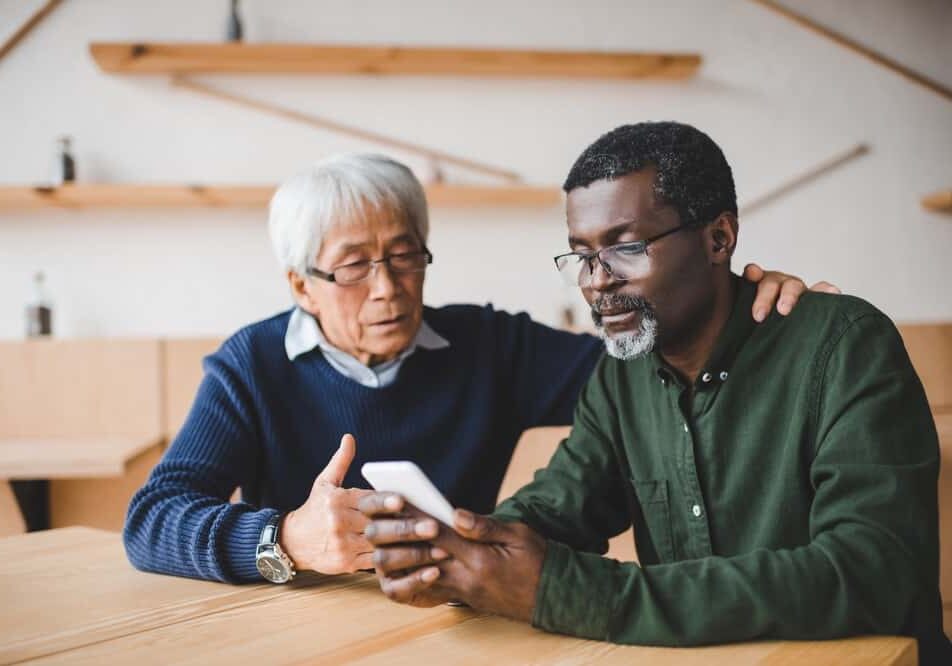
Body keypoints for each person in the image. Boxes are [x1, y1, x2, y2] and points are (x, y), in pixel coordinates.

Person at [359, 123, 952, 664]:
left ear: (719, 238)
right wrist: (458, 550)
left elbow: (872, 574)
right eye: (583, 254)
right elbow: (559, 507)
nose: (597, 281)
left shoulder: (844, 344)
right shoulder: (623, 374)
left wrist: (580, 593)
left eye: (625, 247)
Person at [123, 153, 828, 585]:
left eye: (404, 256)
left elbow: (646, 372)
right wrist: (283, 541)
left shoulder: (488, 344)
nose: (387, 287)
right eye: (351, 267)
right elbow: (153, 519)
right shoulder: (252, 363)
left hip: (456, 613)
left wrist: (739, 308)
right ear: (300, 285)